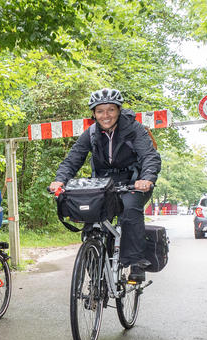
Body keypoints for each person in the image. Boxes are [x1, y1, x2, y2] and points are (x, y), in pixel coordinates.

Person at [49, 88, 161, 282]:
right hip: (103, 184)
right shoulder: (91, 132)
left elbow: (150, 156)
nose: (105, 115)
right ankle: (95, 268)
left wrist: (147, 178)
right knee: (90, 215)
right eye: (100, 111)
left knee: (129, 209)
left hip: (133, 182)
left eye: (110, 110)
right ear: (94, 113)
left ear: (118, 110)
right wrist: (60, 180)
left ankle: (135, 262)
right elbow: (73, 159)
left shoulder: (134, 129)